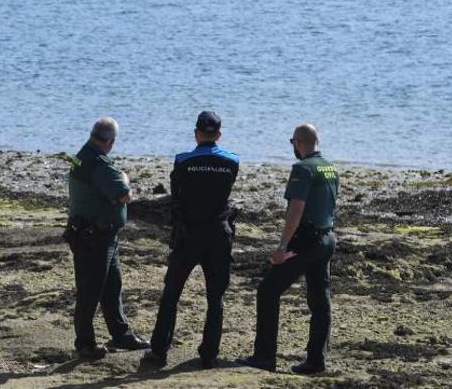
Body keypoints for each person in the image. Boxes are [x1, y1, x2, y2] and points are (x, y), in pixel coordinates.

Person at [237, 124, 339, 374]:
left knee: (268, 290)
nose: (293, 147)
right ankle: (316, 360)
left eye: (292, 142)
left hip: (306, 240)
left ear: (299, 143)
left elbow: (296, 208)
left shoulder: (302, 168)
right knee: (320, 299)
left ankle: (264, 356)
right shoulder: (330, 167)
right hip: (328, 237)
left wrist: (282, 247)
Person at [141, 111, 240, 369]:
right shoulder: (232, 162)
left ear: (196, 133)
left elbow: (177, 197)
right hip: (218, 234)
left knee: (172, 293)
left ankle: (159, 351)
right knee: (215, 297)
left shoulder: (183, 161)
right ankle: (209, 354)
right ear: (218, 135)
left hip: (189, 234)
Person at [65, 117, 149, 360]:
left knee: (112, 287)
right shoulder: (98, 162)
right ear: (111, 142)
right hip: (94, 237)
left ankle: (121, 334)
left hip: (97, 234)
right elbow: (124, 194)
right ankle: (85, 343)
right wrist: (124, 178)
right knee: (90, 291)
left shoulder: (82, 155)